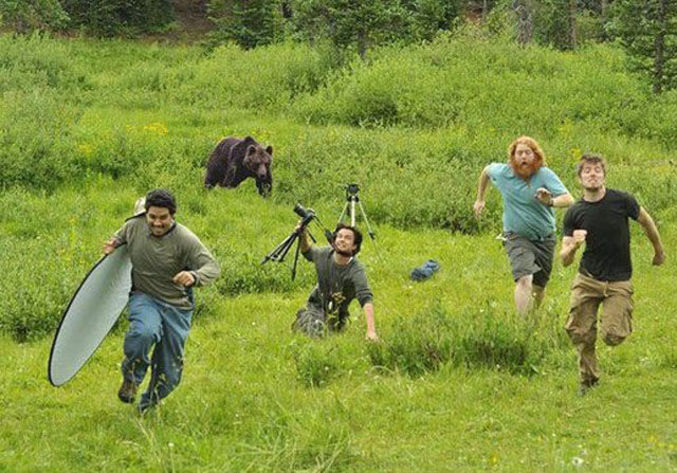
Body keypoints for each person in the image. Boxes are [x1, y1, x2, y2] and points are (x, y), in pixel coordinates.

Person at [104, 189, 220, 412]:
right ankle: (131, 378)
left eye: (163, 218)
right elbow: (119, 239)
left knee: (169, 371)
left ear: (173, 215)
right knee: (143, 333)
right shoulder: (133, 227)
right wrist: (113, 247)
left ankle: (147, 407)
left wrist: (193, 276)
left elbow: (212, 268)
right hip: (144, 296)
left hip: (177, 306)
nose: (157, 223)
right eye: (152, 217)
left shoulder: (185, 239)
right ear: (146, 214)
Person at [560, 154, 665, 395]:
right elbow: (564, 259)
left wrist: (658, 251)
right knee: (579, 332)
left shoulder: (622, 200)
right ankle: (588, 380)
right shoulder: (575, 212)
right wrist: (573, 247)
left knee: (612, 335)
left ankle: (621, 314)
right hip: (587, 279)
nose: (592, 174)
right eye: (587, 170)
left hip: (618, 279)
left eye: (597, 170)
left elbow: (647, 222)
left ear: (604, 175)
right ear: (580, 178)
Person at [473, 136, 574, 314]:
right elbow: (486, 171)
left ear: (535, 156)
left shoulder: (544, 174)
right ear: (513, 157)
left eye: (528, 153)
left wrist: (549, 201)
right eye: (519, 153)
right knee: (524, 279)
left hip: (545, 238)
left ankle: (531, 321)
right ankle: (522, 326)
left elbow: (569, 199)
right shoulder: (504, 173)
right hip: (516, 236)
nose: (523, 157)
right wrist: (480, 199)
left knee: (539, 287)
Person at [292, 222, 378, 341]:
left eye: (348, 238)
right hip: (316, 306)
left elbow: (366, 298)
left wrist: (371, 331)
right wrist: (303, 235)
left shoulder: (356, 270)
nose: (342, 240)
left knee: (329, 333)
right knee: (315, 328)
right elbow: (307, 252)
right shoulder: (324, 254)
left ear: (354, 246)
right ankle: (305, 319)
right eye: (340, 236)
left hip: (338, 315)